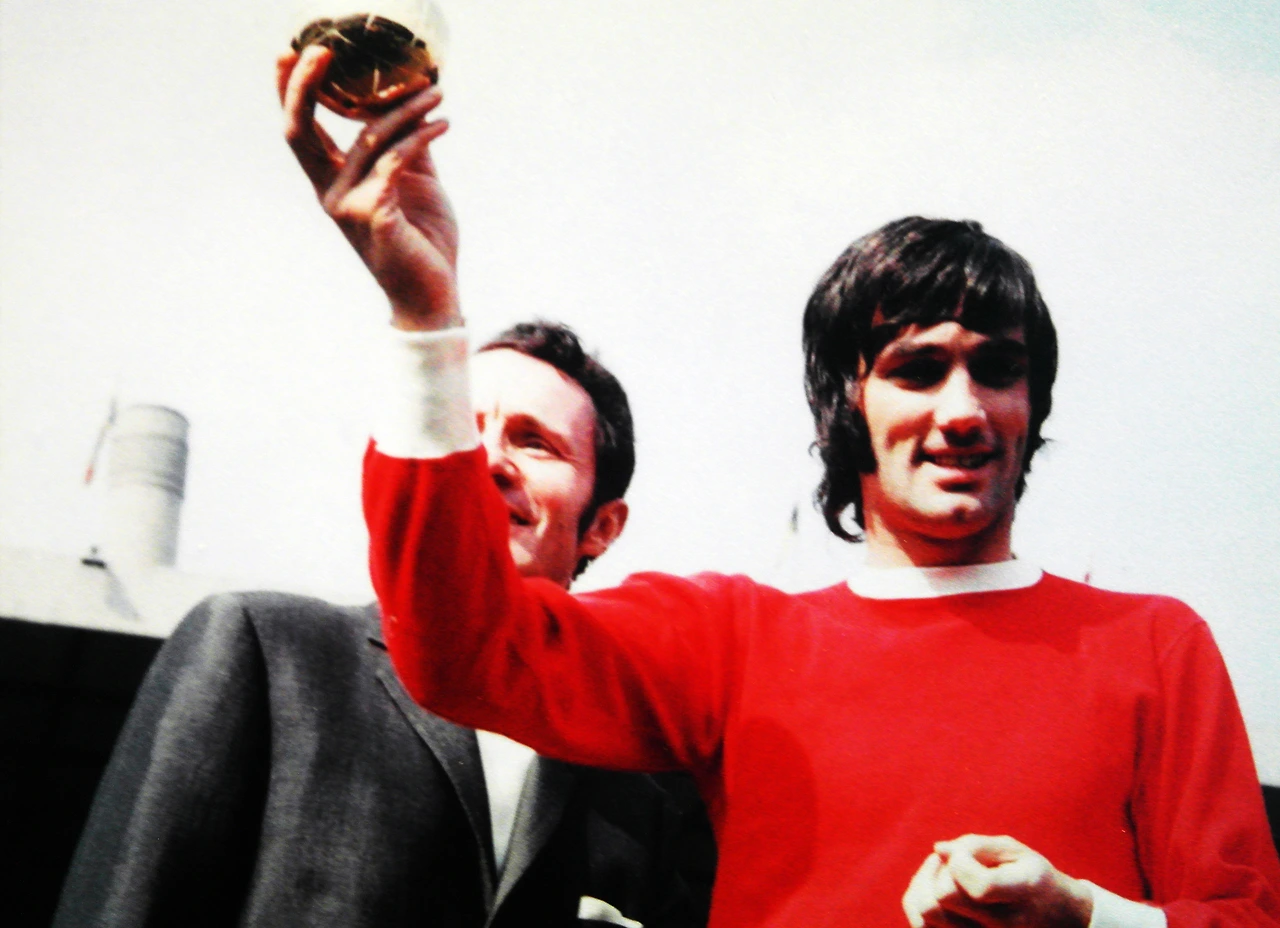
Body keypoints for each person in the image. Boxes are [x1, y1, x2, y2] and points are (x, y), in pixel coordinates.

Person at [281, 43, 1280, 928]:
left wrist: (1091, 920)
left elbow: (1246, 912)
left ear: (1034, 401)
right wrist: (425, 315)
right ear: (845, 405)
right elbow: (465, 655)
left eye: (998, 367)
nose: (965, 408)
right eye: (917, 369)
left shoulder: (1154, 645)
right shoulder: (735, 644)